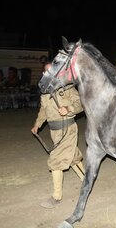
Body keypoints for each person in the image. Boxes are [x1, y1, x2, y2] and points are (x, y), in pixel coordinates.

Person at [31, 63, 85, 208]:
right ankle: (87, 181)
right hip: (54, 131)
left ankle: (56, 197)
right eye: (47, 72)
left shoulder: (66, 88)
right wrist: (38, 124)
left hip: (68, 129)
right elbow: (43, 110)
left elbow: (80, 103)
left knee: (56, 161)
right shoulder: (45, 93)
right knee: (72, 157)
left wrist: (68, 108)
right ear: (44, 74)